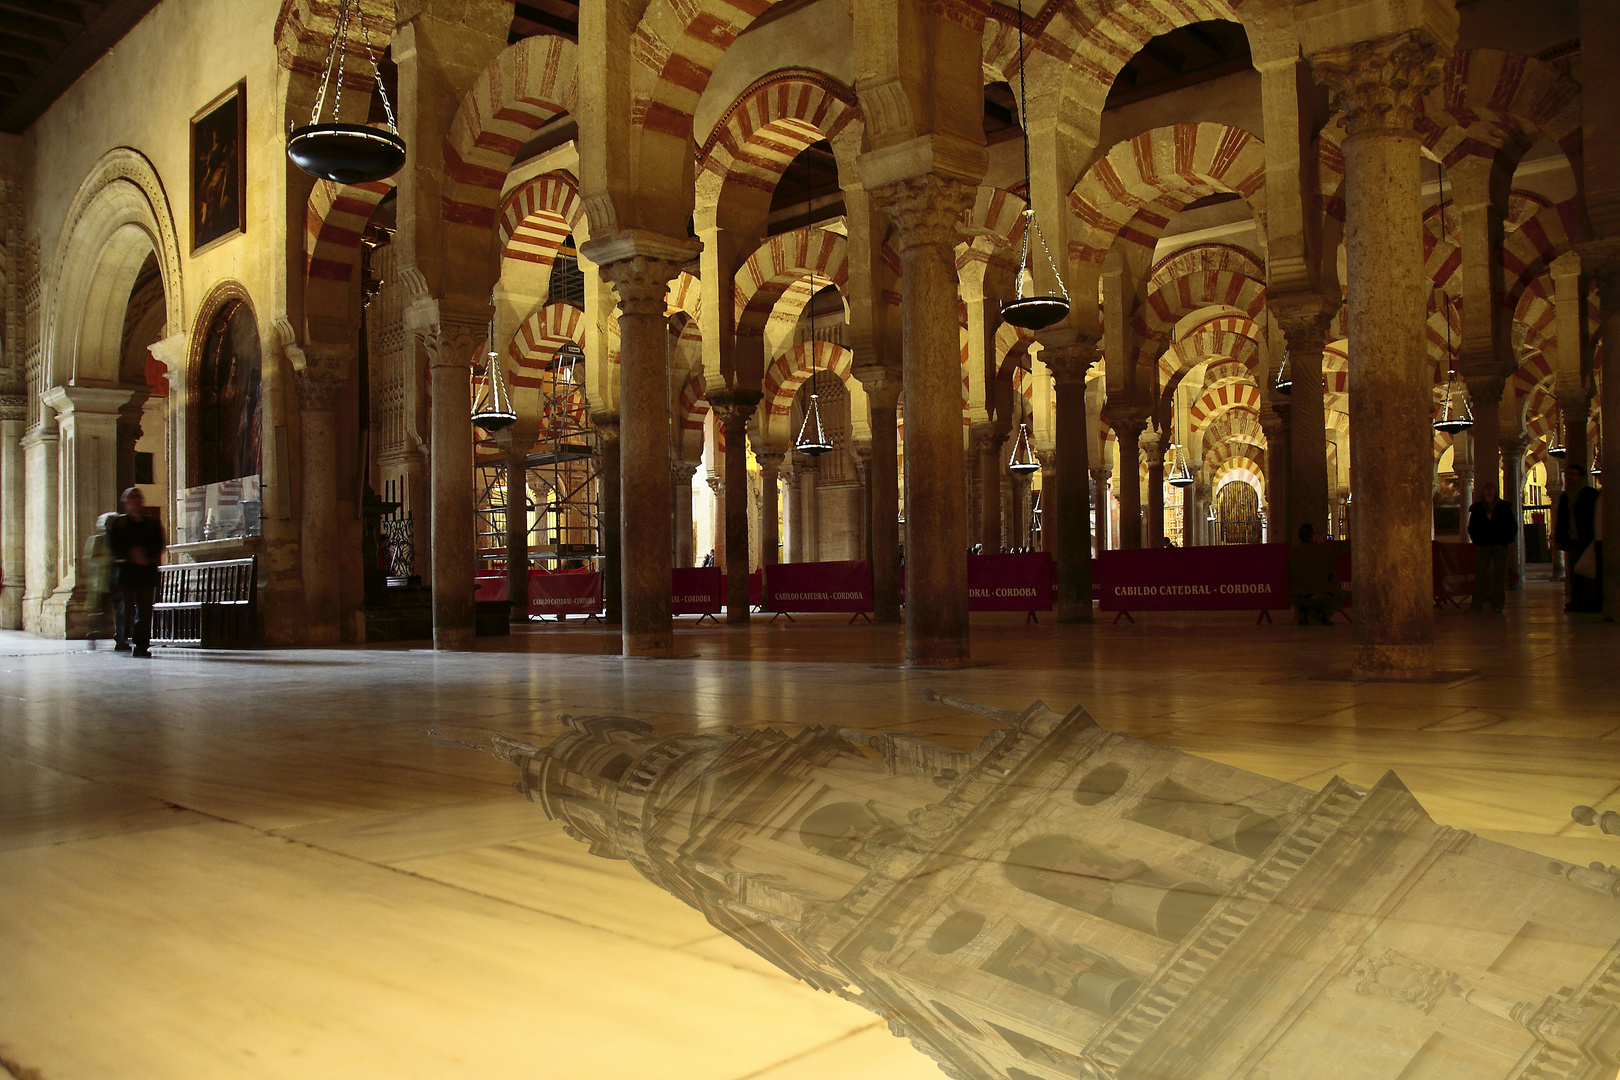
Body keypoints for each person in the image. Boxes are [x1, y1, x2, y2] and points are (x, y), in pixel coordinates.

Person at [107, 487, 165, 657]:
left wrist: (146, 554)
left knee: (144, 609)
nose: (136, 500)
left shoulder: (152, 523)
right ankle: (123, 637)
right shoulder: (119, 523)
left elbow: (158, 543)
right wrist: (131, 554)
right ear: (125, 503)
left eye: (138, 497)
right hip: (126, 572)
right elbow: (114, 545)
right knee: (126, 608)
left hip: (145, 572)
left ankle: (141, 644)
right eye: (132, 498)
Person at [1556, 464, 1601, 612]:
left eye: (1573, 475)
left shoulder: (1590, 494)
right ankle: (1577, 600)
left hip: (1587, 538)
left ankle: (1590, 601)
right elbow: (1561, 519)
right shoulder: (1565, 496)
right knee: (1574, 572)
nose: (1570, 478)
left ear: (1580, 477)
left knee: (1587, 571)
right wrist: (1559, 538)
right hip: (1572, 539)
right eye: (1568, 474)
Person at [1467, 481, 1516, 614]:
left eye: (1491, 489)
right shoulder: (1477, 509)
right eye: (1487, 489)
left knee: (1499, 575)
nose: (1489, 491)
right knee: (1481, 574)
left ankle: (1497, 605)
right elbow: (1472, 527)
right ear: (1483, 492)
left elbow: (1512, 526)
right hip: (1483, 545)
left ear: (1495, 492)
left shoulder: (1504, 508)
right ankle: (1476, 605)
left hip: (1500, 544)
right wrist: (1477, 540)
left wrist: (1505, 541)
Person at [1288, 522, 1350, 625]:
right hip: (1316, 596)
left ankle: (1303, 613)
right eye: (1317, 534)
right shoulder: (1322, 549)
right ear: (1313, 537)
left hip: (1296, 597)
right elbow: (1342, 548)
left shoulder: (1294, 551)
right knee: (1344, 595)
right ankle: (1320, 614)